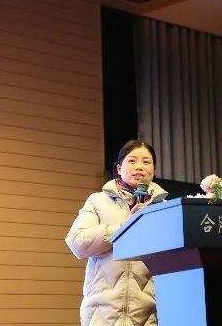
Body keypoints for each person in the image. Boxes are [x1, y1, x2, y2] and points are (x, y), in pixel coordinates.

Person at [65, 140, 168, 326]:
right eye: (132, 161)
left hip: (147, 315)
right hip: (101, 314)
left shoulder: (164, 208)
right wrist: (122, 227)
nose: (139, 167)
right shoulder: (97, 201)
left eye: (146, 162)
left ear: (154, 169)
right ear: (119, 168)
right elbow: (77, 243)